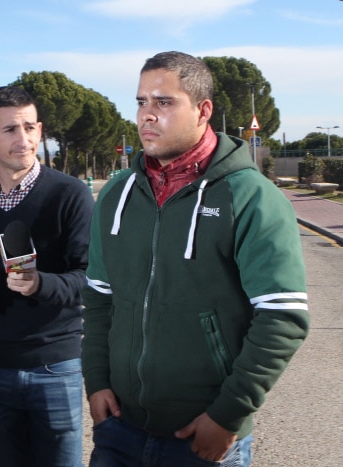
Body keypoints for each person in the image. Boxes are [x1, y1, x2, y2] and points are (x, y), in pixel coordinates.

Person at [81, 51, 309, 466]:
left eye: (163, 102)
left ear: (203, 110)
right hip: (119, 430)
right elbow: (99, 299)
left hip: (205, 436)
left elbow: (282, 317)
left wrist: (228, 415)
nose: (147, 115)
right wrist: (96, 381)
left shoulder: (251, 197)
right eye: (141, 102)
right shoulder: (116, 194)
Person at [0, 85, 94, 467]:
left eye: (31, 128)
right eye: (10, 130)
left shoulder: (69, 194)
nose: (24, 139)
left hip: (57, 365)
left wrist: (41, 284)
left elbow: (89, 277)